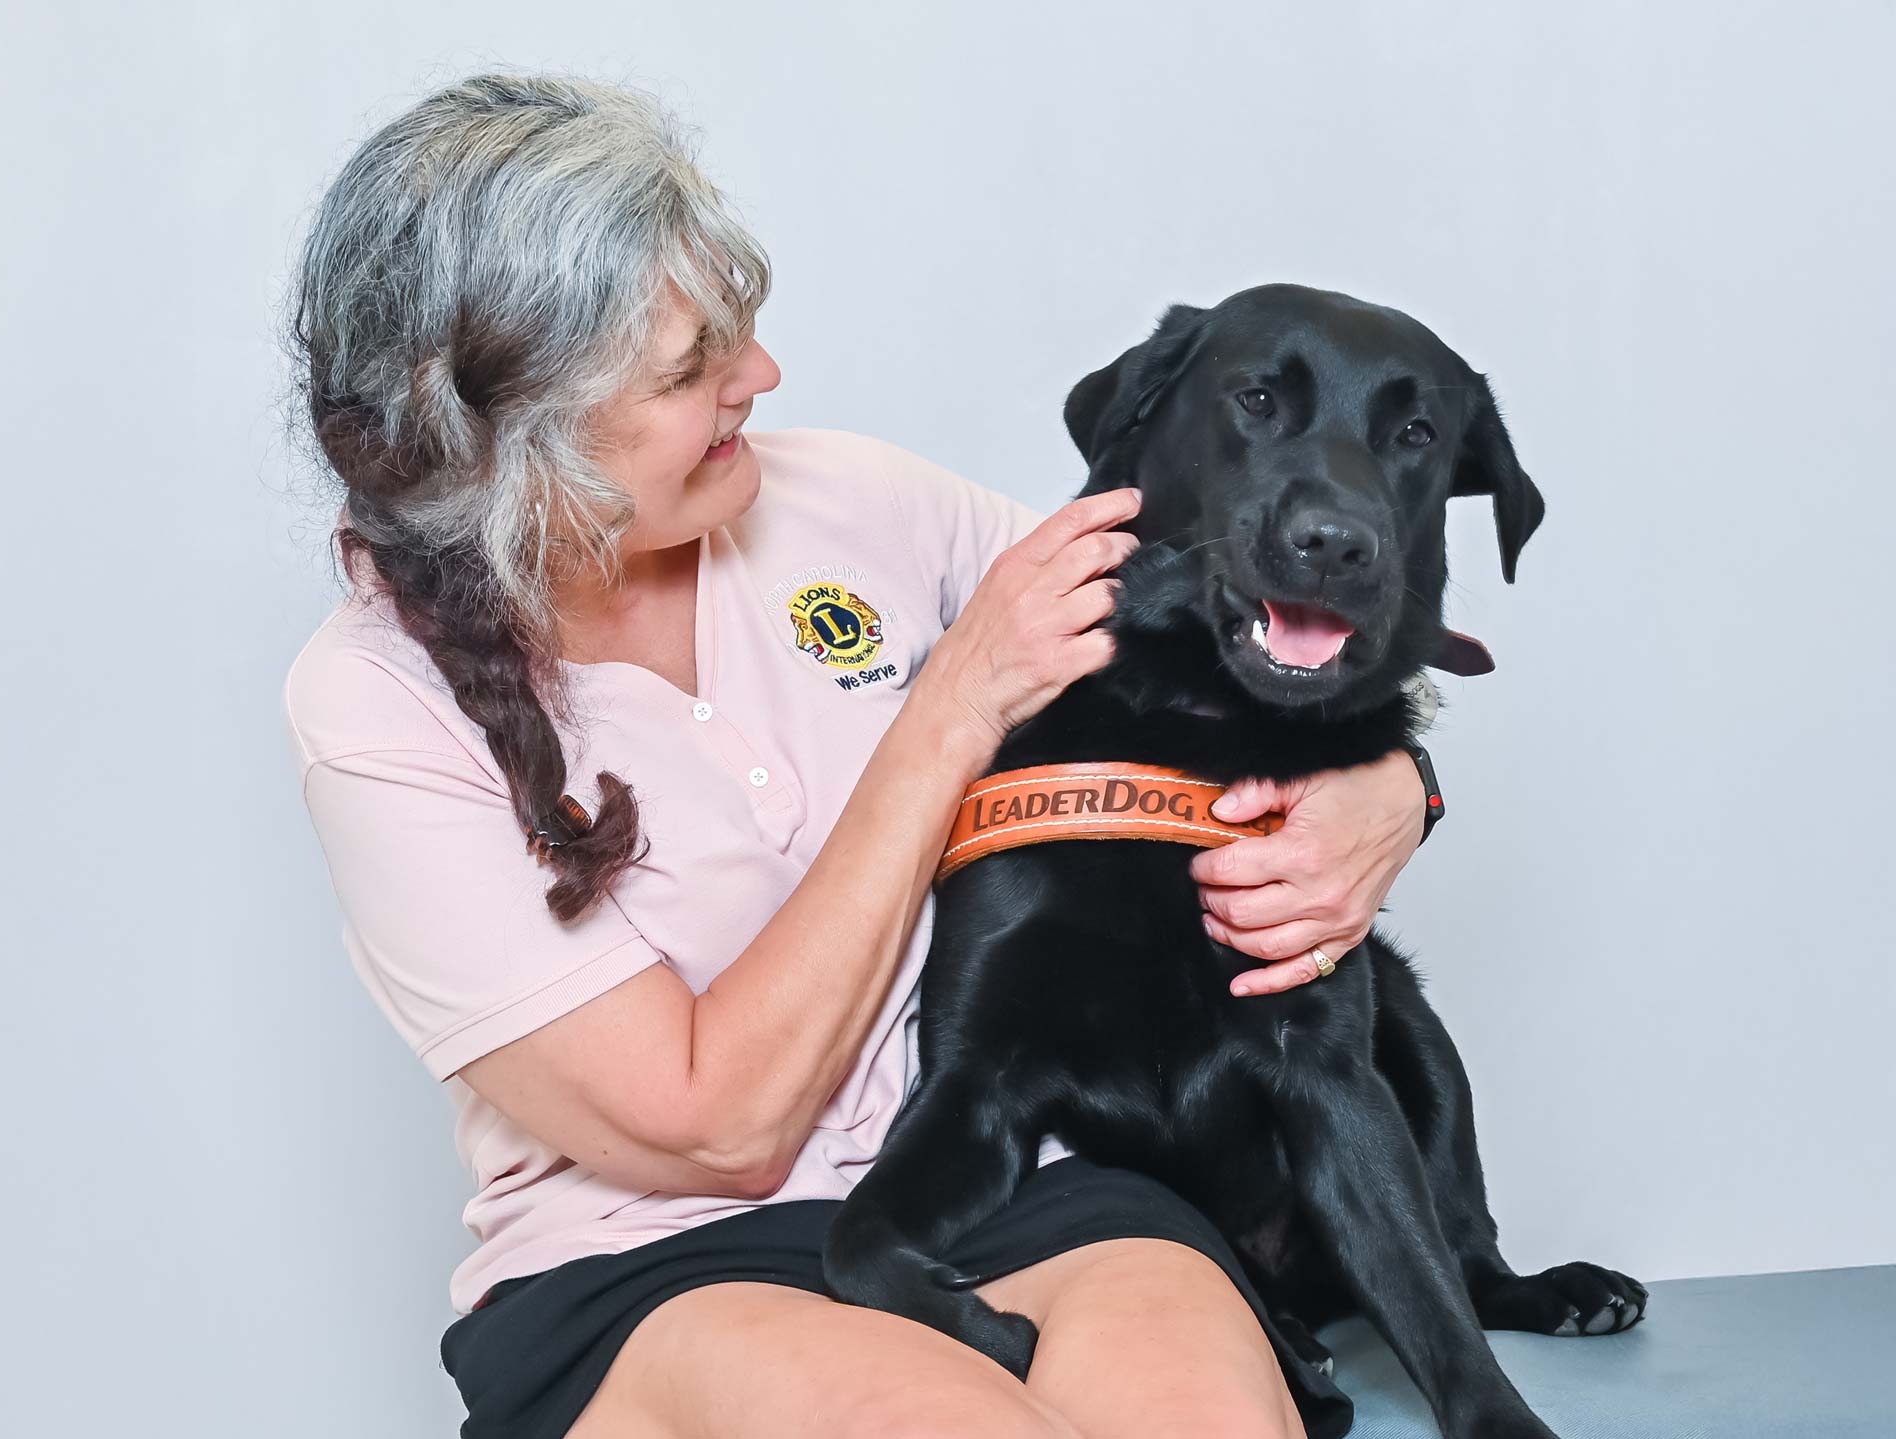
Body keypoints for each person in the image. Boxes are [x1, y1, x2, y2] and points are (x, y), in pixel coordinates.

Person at [284, 72, 1431, 1439]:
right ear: (515, 441)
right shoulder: (374, 708)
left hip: (1003, 1181)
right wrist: (953, 705)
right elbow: (716, 1129)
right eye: (689, 368)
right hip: (657, 1262)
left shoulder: (855, 500)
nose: (758, 377)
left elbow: (1225, 633)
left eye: (738, 332)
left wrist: (1394, 792)